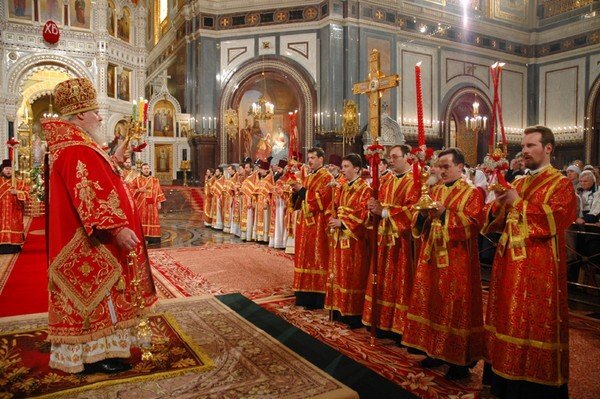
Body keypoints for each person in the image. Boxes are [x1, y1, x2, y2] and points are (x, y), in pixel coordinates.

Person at [43, 77, 156, 373]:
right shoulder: (76, 147)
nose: (99, 116)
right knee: (98, 296)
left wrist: (115, 157)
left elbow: (99, 176)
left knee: (96, 296)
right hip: (89, 242)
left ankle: (94, 351)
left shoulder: (73, 143)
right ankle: (98, 354)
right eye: (95, 111)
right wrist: (117, 229)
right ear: (80, 114)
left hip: (84, 239)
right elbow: (90, 193)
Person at [482, 126, 577, 398]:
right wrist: (499, 204)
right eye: (523, 146)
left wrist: (517, 203)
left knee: (532, 322)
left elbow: (555, 219)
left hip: (539, 268)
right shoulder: (519, 182)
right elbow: (494, 222)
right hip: (508, 264)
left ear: (548, 148)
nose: (524, 151)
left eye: (531, 145)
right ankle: (503, 379)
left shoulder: (560, 184)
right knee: (506, 318)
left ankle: (533, 387)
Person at [402, 147, 485, 380]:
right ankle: (434, 350)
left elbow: (473, 223)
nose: (440, 170)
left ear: (460, 167)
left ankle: (458, 360)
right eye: (439, 166)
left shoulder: (472, 193)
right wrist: (420, 215)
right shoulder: (434, 190)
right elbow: (418, 223)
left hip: (457, 261)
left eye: (446, 166)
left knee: (454, 306)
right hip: (431, 257)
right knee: (432, 302)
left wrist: (445, 213)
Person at [363, 144, 418, 339]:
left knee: (400, 281)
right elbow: (376, 207)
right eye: (390, 157)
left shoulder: (415, 182)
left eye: (395, 157)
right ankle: (380, 321)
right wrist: (372, 208)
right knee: (383, 279)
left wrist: (385, 212)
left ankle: (398, 326)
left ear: (407, 157)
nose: (391, 160)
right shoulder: (386, 180)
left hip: (402, 243)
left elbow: (414, 211)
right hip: (383, 239)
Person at [325, 153, 372, 328]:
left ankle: (351, 313)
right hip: (339, 237)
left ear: (357, 169)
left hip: (354, 240)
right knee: (337, 273)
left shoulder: (364, 189)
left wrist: (342, 222)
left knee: (352, 275)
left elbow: (363, 214)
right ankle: (338, 308)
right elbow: (335, 207)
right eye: (343, 167)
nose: (342, 170)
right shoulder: (342, 187)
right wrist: (332, 218)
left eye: (346, 167)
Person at [293, 147, 334, 309]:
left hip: (317, 225)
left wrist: (302, 190)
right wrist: (295, 192)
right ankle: (303, 294)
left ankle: (316, 297)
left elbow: (321, 200)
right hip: (305, 225)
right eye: (308, 158)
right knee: (304, 257)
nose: (309, 160)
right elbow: (302, 199)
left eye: (312, 158)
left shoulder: (327, 177)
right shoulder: (310, 176)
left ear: (321, 159)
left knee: (317, 258)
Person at [130, 163, 166, 244]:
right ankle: (141, 237)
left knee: (153, 220)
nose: (146, 170)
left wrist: (159, 202)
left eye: (147, 168)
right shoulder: (137, 180)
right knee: (141, 219)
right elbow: (130, 190)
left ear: (150, 169)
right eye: (144, 169)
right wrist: (139, 190)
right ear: (142, 170)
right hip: (141, 204)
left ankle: (153, 238)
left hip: (152, 204)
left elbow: (159, 190)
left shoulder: (155, 180)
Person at [0, 159, 29, 254]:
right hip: (1, 210)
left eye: (10, 169)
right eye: (6, 169)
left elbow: (27, 194)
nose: (8, 171)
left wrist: (17, 192)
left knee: (14, 226)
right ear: (2, 170)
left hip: (14, 210)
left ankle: (15, 246)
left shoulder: (19, 182)